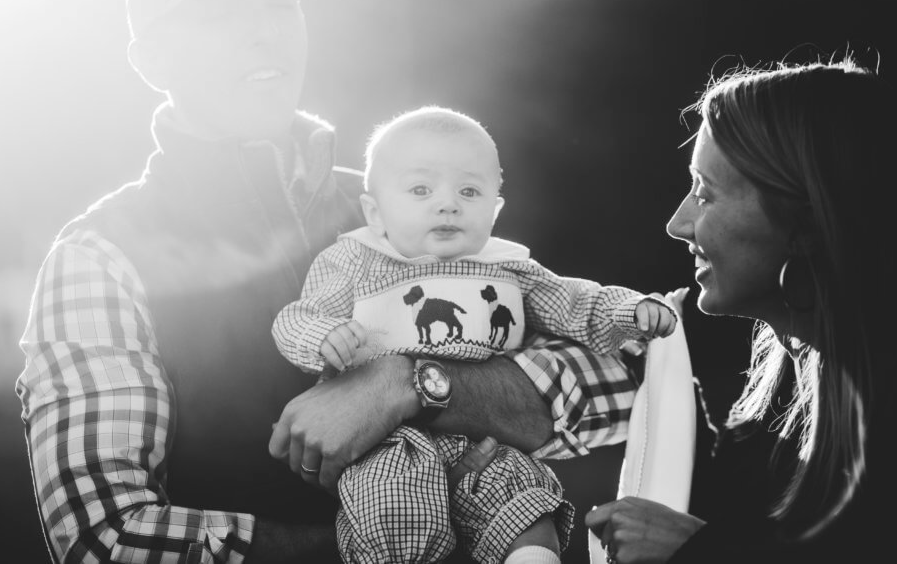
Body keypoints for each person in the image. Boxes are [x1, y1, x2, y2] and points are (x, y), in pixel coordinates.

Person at [15, 0, 650, 563]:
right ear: (150, 60)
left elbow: (630, 384)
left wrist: (415, 383)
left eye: (279, 4)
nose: (263, 33)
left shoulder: (400, 203)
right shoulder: (100, 259)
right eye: (219, 12)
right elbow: (104, 539)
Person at [271, 106, 678, 563]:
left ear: (495, 209)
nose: (448, 204)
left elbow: (574, 302)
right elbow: (297, 316)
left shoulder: (509, 269)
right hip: (385, 444)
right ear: (375, 211)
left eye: (469, 191)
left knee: (523, 505)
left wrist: (626, 311)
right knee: (391, 509)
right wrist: (323, 338)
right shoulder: (355, 259)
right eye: (421, 189)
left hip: (486, 439)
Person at [585, 58, 897, 563]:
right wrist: (668, 393)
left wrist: (694, 552)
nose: (676, 224)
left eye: (704, 194)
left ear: (804, 225)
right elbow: (746, 517)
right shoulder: (785, 388)